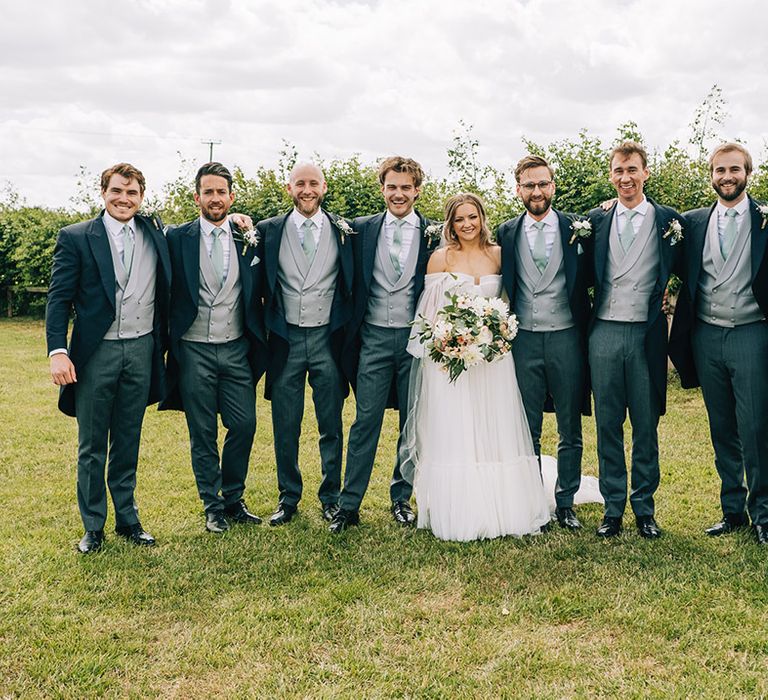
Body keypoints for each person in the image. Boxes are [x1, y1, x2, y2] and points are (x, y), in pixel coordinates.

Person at [400, 192, 552, 541]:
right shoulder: (440, 259)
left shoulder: (499, 255)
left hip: (495, 360)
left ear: (482, 217)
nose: (467, 224)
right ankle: (464, 509)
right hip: (454, 362)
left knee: (496, 429)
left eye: (472, 217)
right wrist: (453, 340)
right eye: (459, 219)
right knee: (460, 432)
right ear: (450, 224)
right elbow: (429, 317)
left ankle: (503, 506)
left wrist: (494, 333)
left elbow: (508, 301)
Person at [46, 163, 171, 553]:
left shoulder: (155, 232)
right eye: (117, 191)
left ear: (141, 197)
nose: (124, 199)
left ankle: (128, 519)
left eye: (132, 193)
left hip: (142, 349)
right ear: (103, 192)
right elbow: (58, 299)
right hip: (95, 353)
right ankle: (93, 526)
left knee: (128, 439)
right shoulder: (77, 237)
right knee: (92, 443)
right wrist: (57, 351)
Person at [331, 156, 440, 533]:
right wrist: (238, 219)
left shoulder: (433, 233)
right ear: (382, 189)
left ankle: (401, 498)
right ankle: (349, 504)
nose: (398, 193)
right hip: (373, 337)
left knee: (412, 424)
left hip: (416, 340)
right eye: (391, 187)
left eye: (405, 187)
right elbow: (310, 224)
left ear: (417, 191)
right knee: (365, 422)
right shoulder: (361, 230)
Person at [669, 143, 768, 545]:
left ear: (748, 173)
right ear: (710, 175)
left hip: (751, 332)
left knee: (756, 426)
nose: (726, 176)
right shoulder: (691, 223)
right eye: (719, 170)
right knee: (721, 425)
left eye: (734, 169)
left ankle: (763, 513)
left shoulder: (765, 219)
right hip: (706, 335)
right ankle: (732, 510)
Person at [160, 162, 266, 533]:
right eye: (209, 192)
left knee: (244, 425)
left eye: (222, 192)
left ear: (231, 196)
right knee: (202, 430)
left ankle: (234, 497)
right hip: (193, 349)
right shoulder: (176, 238)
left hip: (237, 347)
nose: (215, 198)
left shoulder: (247, 236)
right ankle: (213, 504)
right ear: (197, 197)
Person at [586, 141, 684, 539]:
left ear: (646, 172)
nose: (625, 178)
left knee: (646, 424)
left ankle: (644, 508)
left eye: (632, 170)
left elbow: (690, 269)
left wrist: (669, 296)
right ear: (611, 175)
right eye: (618, 171)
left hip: (647, 334)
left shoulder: (670, 221)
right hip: (604, 331)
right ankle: (612, 509)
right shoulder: (594, 220)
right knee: (608, 423)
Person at [497, 155, 592, 531]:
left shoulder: (580, 228)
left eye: (543, 184)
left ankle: (565, 500)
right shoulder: (506, 233)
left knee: (570, 423)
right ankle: (533, 500)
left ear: (553, 186)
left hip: (567, 336)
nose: (536, 191)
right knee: (527, 424)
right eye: (529, 185)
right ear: (518, 189)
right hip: (523, 341)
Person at [256, 163, 353, 526]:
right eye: (300, 184)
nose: (307, 190)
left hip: (328, 338)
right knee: (286, 423)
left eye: (313, 183)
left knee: (331, 424)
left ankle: (331, 496)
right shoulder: (268, 230)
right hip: (286, 340)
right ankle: (288, 497)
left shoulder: (346, 231)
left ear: (324, 187)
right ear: (289, 188)